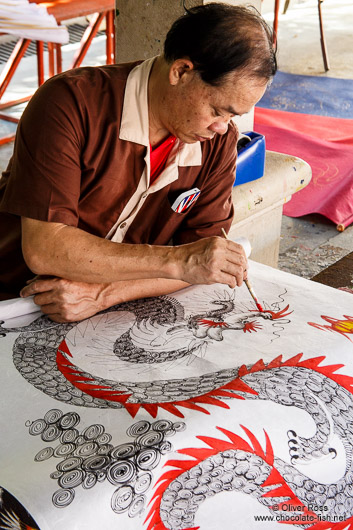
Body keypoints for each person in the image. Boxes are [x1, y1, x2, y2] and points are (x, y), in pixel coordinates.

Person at [0, 3, 277, 322]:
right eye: (217, 110)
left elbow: (201, 264)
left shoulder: (219, 141)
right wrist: (180, 261)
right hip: (12, 300)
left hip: (102, 310)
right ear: (181, 72)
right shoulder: (70, 104)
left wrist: (105, 294)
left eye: (233, 116)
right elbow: (45, 248)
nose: (221, 127)